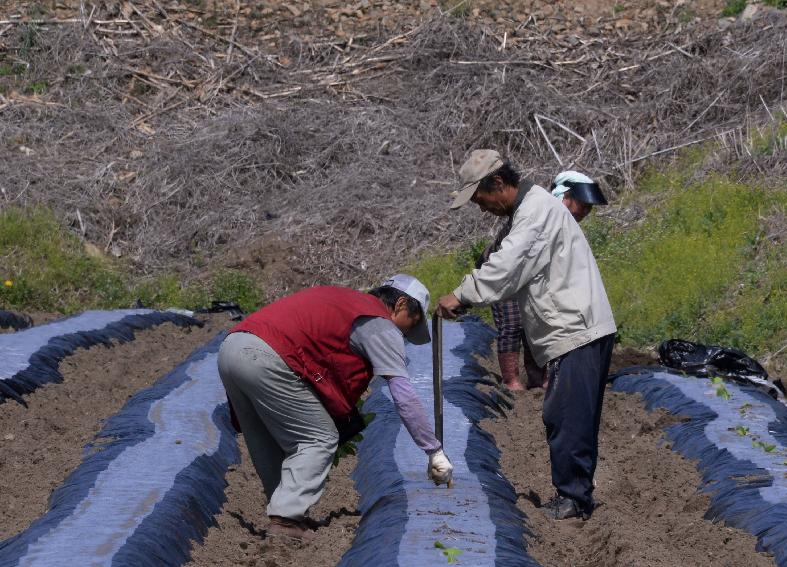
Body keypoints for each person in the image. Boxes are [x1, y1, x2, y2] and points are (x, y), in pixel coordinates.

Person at [437, 150, 616, 521]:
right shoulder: (532, 210)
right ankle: (576, 494)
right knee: (569, 416)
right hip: (574, 328)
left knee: (567, 417)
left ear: (498, 184)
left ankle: (573, 500)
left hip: (576, 330)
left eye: (480, 198)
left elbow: (507, 267)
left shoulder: (535, 212)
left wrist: (462, 294)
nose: (481, 208)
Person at [219, 274, 453, 541]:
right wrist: (434, 451)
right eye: (411, 325)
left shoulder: (345, 301)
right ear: (400, 304)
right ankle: (285, 520)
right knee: (319, 437)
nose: (406, 334)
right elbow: (404, 396)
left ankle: (284, 512)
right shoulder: (379, 323)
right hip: (266, 357)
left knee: (266, 439)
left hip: (232, 347)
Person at [477, 170, 608, 391]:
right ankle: (511, 382)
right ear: (565, 197)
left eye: (589, 208)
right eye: (583, 205)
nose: (586, 211)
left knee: (535, 322)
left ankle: (538, 379)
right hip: (502, 270)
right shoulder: (541, 213)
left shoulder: (563, 219)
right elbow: (512, 259)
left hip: (527, 273)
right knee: (512, 324)